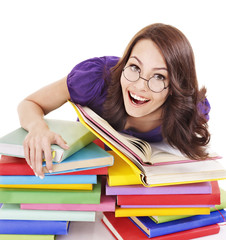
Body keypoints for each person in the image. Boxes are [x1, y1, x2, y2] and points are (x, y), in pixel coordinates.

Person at [17, 23, 211, 179]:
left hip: (130, 185)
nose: (140, 86)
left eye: (159, 77)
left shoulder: (191, 110)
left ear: (174, 88)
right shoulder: (95, 79)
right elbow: (31, 103)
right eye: (135, 67)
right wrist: (38, 129)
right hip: (86, 173)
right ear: (124, 62)